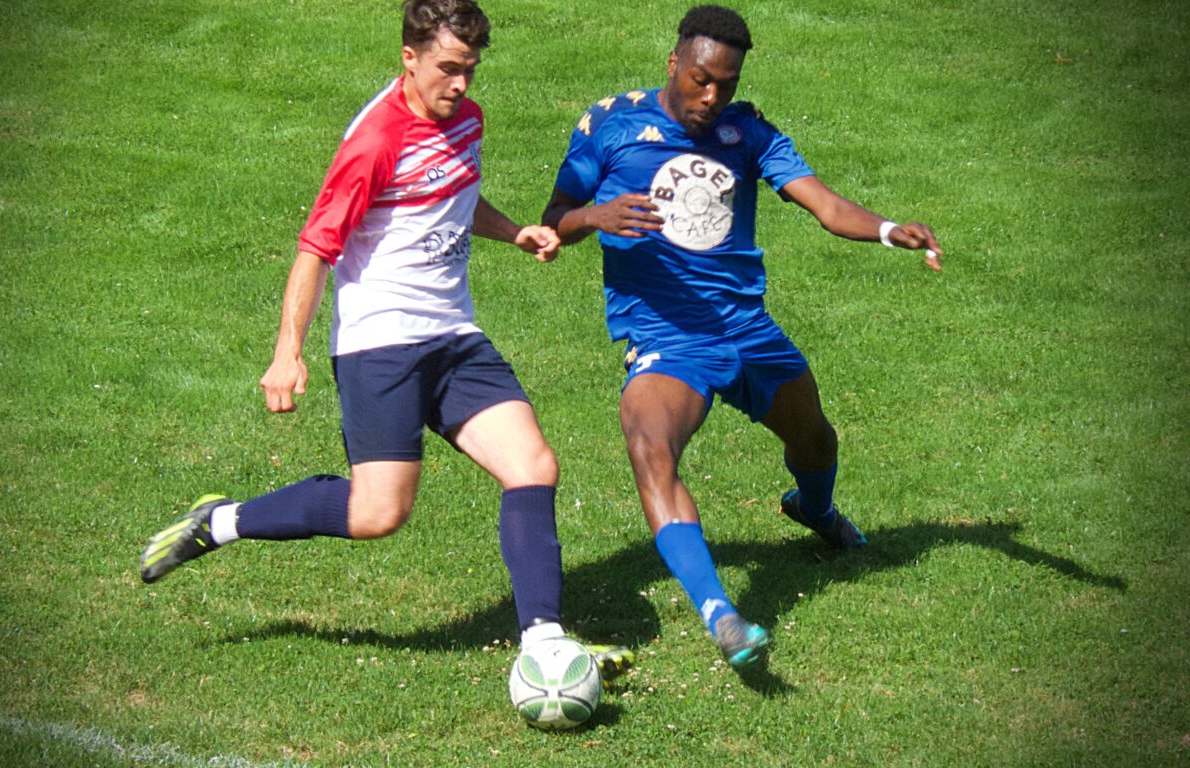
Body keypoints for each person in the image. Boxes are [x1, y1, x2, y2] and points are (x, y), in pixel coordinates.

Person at [140, 0, 632, 681]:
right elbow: (316, 248)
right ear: (409, 57)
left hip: (454, 334)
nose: (461, 83)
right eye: (449, 68)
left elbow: (456, 196)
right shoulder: (375, 141)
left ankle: (544, 642)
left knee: (533, 465)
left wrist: (512, 231)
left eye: (471, 69)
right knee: (378, 513)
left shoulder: (466, 118)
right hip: (381, 345)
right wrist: (287, 352)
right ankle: (220, 522)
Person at [541, 4, 942, 668]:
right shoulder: (611, 124)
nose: (711, 97)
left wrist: (886, 229)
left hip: (747, 329)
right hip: (668, 337)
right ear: (674, 63)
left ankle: (815, 511)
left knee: (815, 440)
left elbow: (825, 205)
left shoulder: (746, 130)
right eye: (700, 80)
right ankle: (720, 614)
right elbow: (553, 219)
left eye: (724, 85)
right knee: (650, 447)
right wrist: (596, 215)